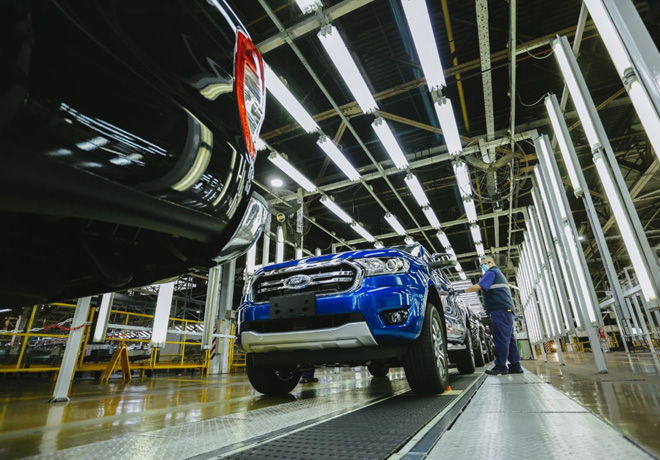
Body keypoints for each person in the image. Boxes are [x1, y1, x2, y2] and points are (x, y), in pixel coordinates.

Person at [456, 256, 523, 375]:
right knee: (509, 339)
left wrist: (459, 292)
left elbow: (478, 287)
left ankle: (501, 367)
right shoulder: (497, 273)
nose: (483, 267)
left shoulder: (491, 272)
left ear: (491, 263)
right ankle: (515, 366)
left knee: (501, 339)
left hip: (500, 310)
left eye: (484, 264)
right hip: (506, 310)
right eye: (481, 265)